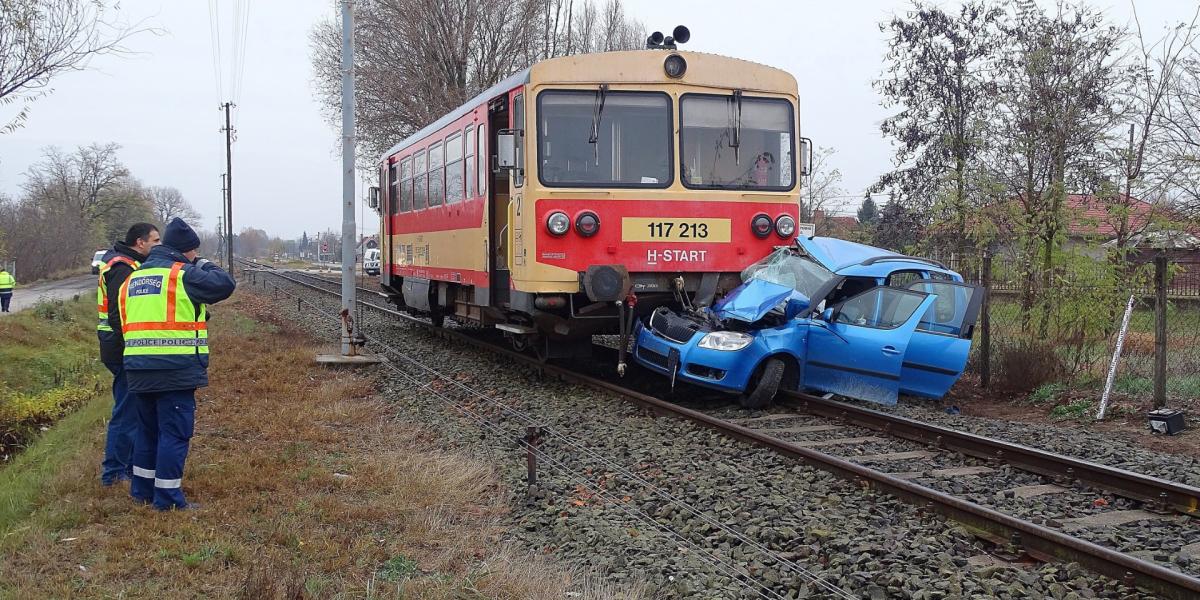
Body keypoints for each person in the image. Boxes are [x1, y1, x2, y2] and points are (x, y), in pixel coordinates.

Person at [120, 218, 235, 510]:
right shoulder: (182, 274)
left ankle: (142, 491)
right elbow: (224, 285)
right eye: (194, 252)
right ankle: (168, 499)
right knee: (174, 434)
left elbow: (123, 320)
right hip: (173, 369)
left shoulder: (132, 278)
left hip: (137, 369)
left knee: (147, 432)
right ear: (187, 251)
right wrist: (205, 264)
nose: (195, 257)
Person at [97, 223, 161, 486]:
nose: (158, 244)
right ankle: (113, 473)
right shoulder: (123, 268)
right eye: (155, 240)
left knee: (132, 408)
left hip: (118, 345)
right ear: (140, 242)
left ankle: (130, 466)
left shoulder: (127, 263)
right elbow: (117, 314)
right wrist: (134, 346)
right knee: (127, 410)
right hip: (121, 347)